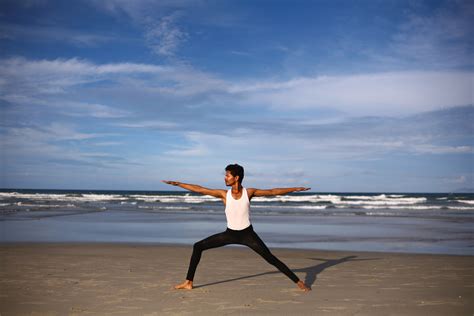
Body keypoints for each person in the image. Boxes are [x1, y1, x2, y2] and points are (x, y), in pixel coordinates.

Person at [162, 163, 311, 292]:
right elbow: (200, 189)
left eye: (227, 175)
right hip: (230, 234)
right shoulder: (223, 194)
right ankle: (189, 282)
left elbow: (272, 192)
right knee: (198, 246)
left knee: (271, 258)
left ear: (236, 177)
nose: (225, 178)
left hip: (248, 235)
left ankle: (299, 282)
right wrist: (179, 184)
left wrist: (295, 188)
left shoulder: (249, 192)